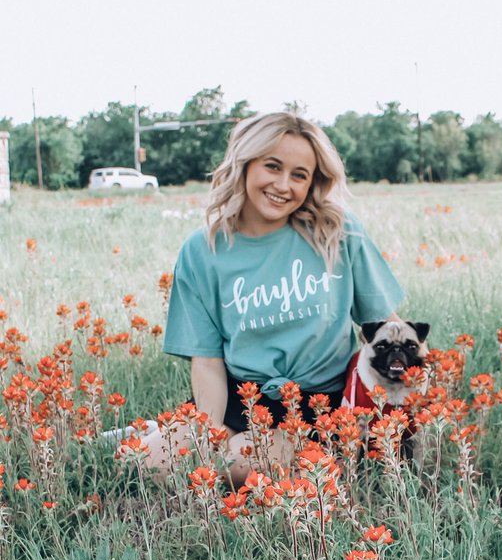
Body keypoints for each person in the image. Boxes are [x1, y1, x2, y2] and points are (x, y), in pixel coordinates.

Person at [143, 112, 404, 480]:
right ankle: (153, 436)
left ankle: (268, 457)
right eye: (272, 166)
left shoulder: (336, 232)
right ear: (245, 164)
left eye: (299, 175)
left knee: (239, 460)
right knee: (151, 464)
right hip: (242, 394)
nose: (283, 185)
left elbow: (383, 324)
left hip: (316, 403)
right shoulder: (202, 250)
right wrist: (208, 435)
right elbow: (207, 362)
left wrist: (410, 376)